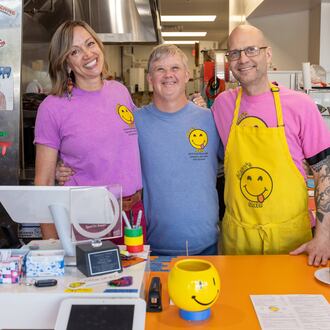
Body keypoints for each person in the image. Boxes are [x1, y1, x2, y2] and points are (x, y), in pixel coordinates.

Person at [57, 44, 222, 256]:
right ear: (149, 79)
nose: (168, 75)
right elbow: (99, 153)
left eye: (175, 68)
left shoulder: (210, 119)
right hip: (151, 246)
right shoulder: (133, 124)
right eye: (159, 69)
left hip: (207, 244)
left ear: (187, 75)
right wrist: (63, 168)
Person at [212, 24, 330, 266]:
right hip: (238, 240)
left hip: (291, 241)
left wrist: (325, 235)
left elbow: (325, 174)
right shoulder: (222, 106)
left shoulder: (301, 105)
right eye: (234, 53)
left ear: (268, 54)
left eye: (251, 50)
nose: (243, 59)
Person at [34, 20, 146, 243]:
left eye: (90, 44)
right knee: (89, 279)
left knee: (135, 276)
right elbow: (44, 183)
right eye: (75, 51)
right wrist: (51, 244)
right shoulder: (52, 107)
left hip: (133, 214)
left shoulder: (120, 91)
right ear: (66, 63)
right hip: (88, 218)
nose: (87, 54)